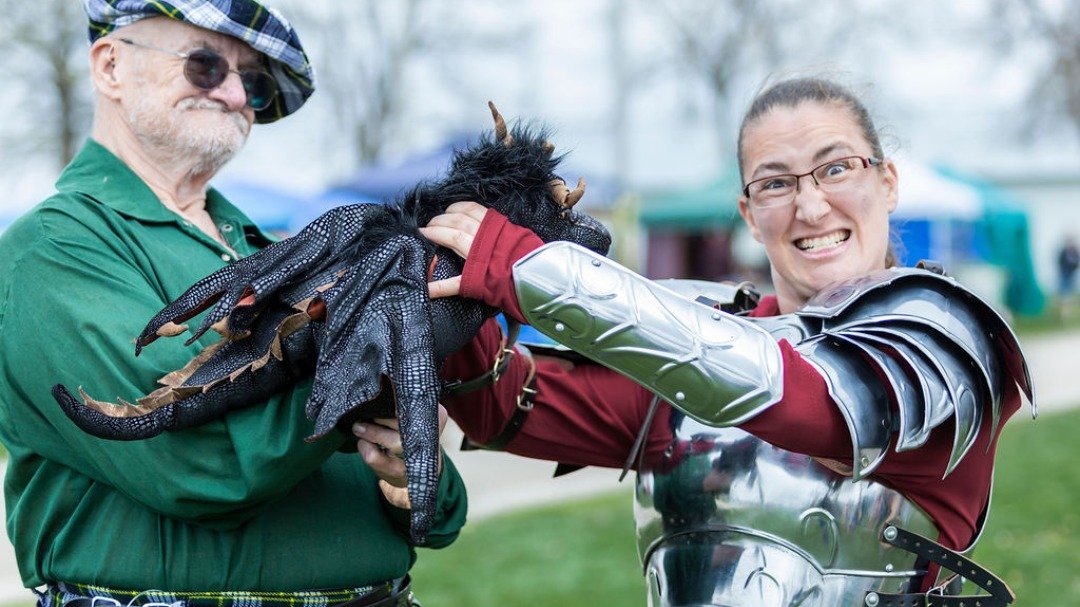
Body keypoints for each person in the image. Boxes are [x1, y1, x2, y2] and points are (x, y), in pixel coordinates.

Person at [422, 77, 1032, 606]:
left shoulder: (945, 340)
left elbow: (804, 401)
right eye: (775, 184)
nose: (812, 206)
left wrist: (525, 266)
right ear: (747, 212)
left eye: (837, 167)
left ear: (889, 182)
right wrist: (438, 287)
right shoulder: (696, 334)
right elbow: (504, 404)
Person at [0, 1, 465, 605]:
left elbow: (445, 516)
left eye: (253, 80)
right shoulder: (51, 248)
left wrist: (409, 474)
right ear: (111, 65)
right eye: (204, 65)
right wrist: (369, 356)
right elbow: (200, 466)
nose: (235, 94)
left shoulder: (277, 252)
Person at [1057, 233, 1079, 318]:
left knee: (1070, 293)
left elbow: (1077, 263)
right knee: (1064, 294)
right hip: (1064, 275)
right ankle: (1064, 313)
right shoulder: (1063, 252)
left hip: (1072, 275)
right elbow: (1059, 262)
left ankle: (1068, 312)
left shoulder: (1075, 251)